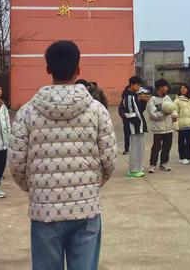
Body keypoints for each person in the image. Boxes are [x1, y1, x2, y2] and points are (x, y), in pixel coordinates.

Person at [9, 40, 116, 270]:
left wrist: (38, 188)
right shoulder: (97, 110)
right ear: (78, 69)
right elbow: (109, 160)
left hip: (44, 209)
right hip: (86, 207)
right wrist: (92, 185)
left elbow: (17, 163)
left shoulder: (27, 111)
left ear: (48, 69)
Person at [146, 79, 177, 173]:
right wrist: (164, 114)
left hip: (169, 128)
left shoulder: (167, 98)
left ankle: (163, 163)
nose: (167, 88)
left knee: (167, 146)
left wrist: (175, 116)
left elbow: (173, 109)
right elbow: (153, 114)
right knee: (156, 147)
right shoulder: (152, 100)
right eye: (165, 86)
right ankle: (152, 165)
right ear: (160, 87)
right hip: (158, 128)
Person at [119, 76, 147, 177]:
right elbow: (130, 114)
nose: (139, 87)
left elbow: (139, 111)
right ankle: (134, 170)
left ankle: (138, 167)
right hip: (134, 128)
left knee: (140, 149)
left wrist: (143, 101)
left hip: (138, 127)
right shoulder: (129, 97)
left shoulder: (134, 96)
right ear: (132, 85)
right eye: (138, 85)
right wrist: (139, 125)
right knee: (135, 149)